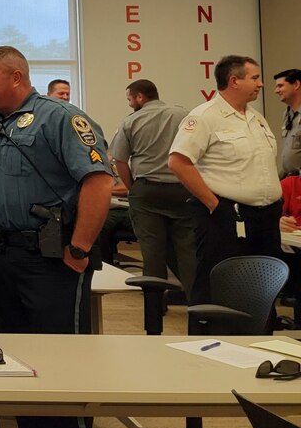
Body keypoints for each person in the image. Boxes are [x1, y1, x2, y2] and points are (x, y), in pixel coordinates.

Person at [0, 45, 112, 428]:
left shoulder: (60, 118)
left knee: (63, 364)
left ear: (17, 77)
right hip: (3, 256)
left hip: (53, 259)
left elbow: (98, 181)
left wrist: (79, 248)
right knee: (19, 360)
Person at [169, 55, 281, 306]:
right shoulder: (204, 116)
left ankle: (259, 338)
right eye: (254, 78)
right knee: (217, 286)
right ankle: (208, 338)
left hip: (264, 218)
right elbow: (178, 162)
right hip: (226, 216)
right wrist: (214, 204)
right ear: (234, 81)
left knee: (261, 289)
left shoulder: (256, 118)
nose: (260, 84)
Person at [110, 79, 197, 294]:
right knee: (187, 250)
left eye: (130, 99)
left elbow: (119, 160)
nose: (130, 104)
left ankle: (155, 308)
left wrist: (132, 188)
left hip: (147, 191)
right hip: (182, 190)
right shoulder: (183, 114)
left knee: (152, 251)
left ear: (140, 97)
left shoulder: (131, 121)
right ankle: (197, 303)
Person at [273, 68, 301, 178]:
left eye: (280, 86)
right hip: (289, 180)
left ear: (297, 84)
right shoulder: (287, 114)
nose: (276, 91)